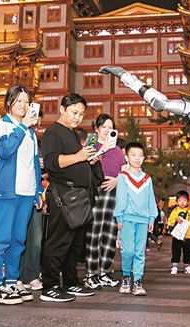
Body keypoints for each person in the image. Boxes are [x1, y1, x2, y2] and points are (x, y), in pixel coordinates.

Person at [40, 93, 101, 303]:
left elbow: (73, 161)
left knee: (75, 243)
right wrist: (79, 156)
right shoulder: (53, 132)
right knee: (59, 241)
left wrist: (86, 160)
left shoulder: (71, 134)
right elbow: (51, 162)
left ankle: (71, 281)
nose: (78, 117)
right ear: (62, 109)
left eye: (81, 114)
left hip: (77, 196)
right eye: (74, 112)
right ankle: (50, 285)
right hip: (63, 194)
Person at [0, 85, 41, 305]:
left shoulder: (31, 133)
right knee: (1, 239)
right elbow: (5, 150)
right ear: (9, 102)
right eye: (19, 101)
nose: (23, 105)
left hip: (26, 192)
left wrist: (38, 191)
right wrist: (22, 126)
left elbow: (34, 164)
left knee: (18, 240)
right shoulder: (1, 125)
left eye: (26, 101)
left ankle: (11, 282)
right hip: (6, 191)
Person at [84, 113, 125, 290]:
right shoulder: (92, 144)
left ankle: (105, 272)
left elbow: (125, 171)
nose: (107, 130)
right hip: (97, 192)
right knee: (94, 234)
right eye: (104, 126)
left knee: (110, 234)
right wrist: (103, 149)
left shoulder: (117, 149)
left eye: (111, 127)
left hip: (115, 193)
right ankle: (91, 274)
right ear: (97, 129)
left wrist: (117, 180)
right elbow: (86, 163)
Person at [114, 142, 156, 295]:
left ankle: (138, 281)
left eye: (140, 155)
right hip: (127, 219)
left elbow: (151, 199)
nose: (137, 158)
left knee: (139, 252)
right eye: (133, 155)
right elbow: (120, 198)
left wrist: (152, 218)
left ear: (144, 158)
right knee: (128, 251)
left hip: (143, 220)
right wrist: (119, 217)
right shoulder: (123, 176)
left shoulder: (147, 178)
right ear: (127, 157)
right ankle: (126, 277)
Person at [167, 190, 190, 274]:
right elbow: (170, 222)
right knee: (176, 251)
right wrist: (176, 219)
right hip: (177, 236)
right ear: (177, 201)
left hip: (188, 236)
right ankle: (175, 266)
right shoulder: (175, 211)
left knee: (188, 252)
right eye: (180, 200)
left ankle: (187, 266)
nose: (182, 202)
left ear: (188, 201)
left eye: (184, 200)